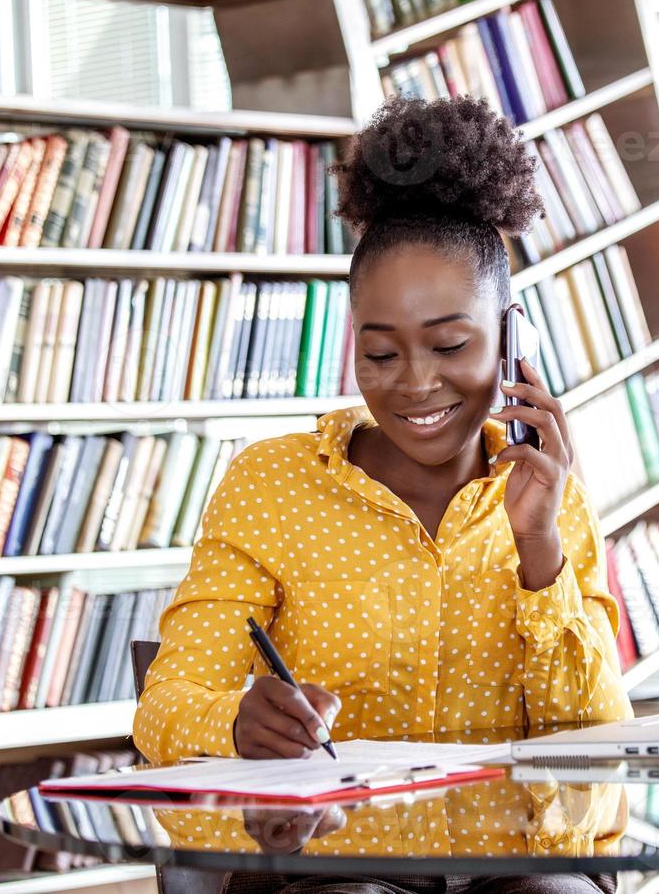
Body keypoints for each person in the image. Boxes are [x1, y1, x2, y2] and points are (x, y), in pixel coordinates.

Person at [133, 97, 632, 868]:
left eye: (450, 344)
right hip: (334, 867)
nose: (415, 385)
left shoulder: (548, 492)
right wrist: (234, 724)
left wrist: (540, 550)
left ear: (511, 340)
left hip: (510, 868)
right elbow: (164, 712)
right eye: (381, 354)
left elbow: (594, 767)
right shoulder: (272, 484)